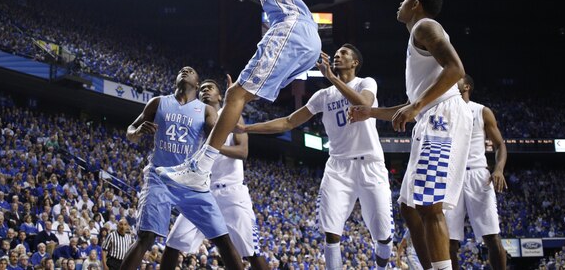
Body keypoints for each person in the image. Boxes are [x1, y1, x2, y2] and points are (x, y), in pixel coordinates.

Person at [156, 0, 321, 192]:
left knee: (236, 95)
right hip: (303, 38)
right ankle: (201, 166)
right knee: (239, 95)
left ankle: (200, 168)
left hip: (291, 27)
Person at [349, 0, 473, 270]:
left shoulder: (426, 26)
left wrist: (416, 107)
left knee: (430, 205)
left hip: (442, 117)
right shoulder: (417, 40)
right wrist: (370, 112)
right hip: (431, 114)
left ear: (416, 4)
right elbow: (410, 103)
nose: (400, 3)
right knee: (409, 206)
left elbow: (456, 69)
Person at [238, 44, 394, 270]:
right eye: (337, 53)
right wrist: (247, 129)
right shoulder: (323, 96)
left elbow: (365, 105)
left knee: (383, 235)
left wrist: (331, 78)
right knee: (331, 234)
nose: (338, 56)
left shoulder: (366, 83)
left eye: (344, 54)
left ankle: (382, 266)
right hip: (338, 167)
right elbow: (289, 122)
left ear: (355, 63)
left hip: (370, 164)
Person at [119, 67, 243, 270]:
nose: (185, 71)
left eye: (191, 71)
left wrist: (232, 104)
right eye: (182, 70)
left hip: (192, 181)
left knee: (223, 239)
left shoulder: (205, 110)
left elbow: (220, 133)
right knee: (146, 236)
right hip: (160, 178)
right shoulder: (158, 102)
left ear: (197, 82)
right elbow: (130, 131)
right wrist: (138, 131)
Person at [162, 79, 268, 270]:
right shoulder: (195, 123)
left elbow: (242, 152)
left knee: (251, 253)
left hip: (231, 191)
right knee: (173, 243)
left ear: (220, 96)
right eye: (201, 89)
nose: (205, 91)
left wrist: (214, 146)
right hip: (202, 191)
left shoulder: (231, 117)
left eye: (210, 88)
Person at [444, 75, 507, 270]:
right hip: (450, 177)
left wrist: (498, 169)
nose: (451, 81)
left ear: (467, 86)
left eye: (457, 79)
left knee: (491, 237)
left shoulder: (481, 111)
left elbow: (500, 145)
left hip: (477, 175)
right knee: (449, 242)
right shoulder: (443, 112)